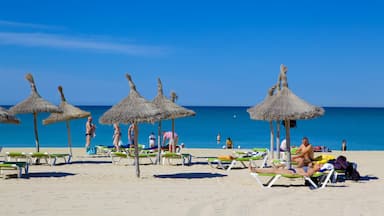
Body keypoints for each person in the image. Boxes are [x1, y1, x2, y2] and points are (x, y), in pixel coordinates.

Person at [250, 163, 322, 177]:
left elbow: (307, 174)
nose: (316, 164)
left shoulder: (312, 170)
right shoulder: (311, 168)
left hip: (292, 172)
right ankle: (255, 169)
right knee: (275, 169)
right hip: (292, 170)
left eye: (318, 165)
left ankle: (255, 169)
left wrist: (298, 174)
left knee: (274, 170)